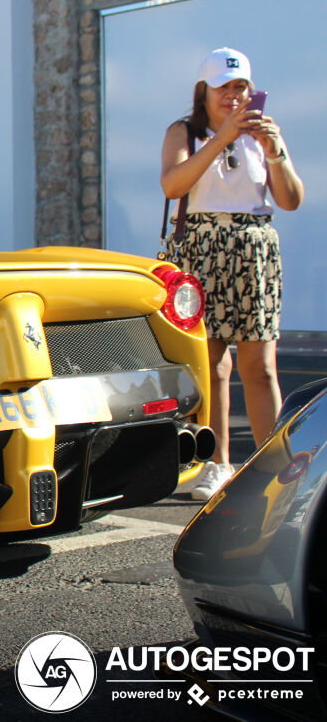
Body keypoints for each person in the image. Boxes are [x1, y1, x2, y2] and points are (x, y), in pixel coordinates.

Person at [159, 47, 304, 501]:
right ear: (204, 91)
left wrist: (275, 152)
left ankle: (272, 465)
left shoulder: (262, 135)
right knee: (214, 363)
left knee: (259, 367)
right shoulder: (185, 131)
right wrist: (222, 138)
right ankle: (216, 463)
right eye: (224, 87)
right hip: (205, 246)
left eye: (241, 86)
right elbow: (173, 184)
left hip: (255, 248)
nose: (234, 95)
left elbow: (291, 198)